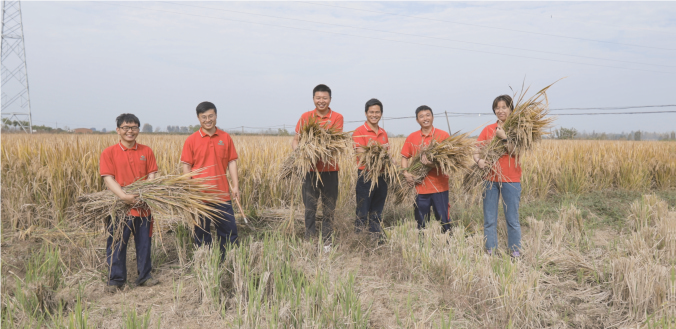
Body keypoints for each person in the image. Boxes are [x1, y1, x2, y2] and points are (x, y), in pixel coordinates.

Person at [100, 113, 159, 293]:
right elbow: (108, 178)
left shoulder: (146, 151)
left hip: (143, 207)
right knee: (117, 243)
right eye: (126, 128)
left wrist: (144, 192)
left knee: (144, 244)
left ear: (138, 130)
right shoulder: (109, 152)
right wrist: (124, 196)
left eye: (133, 128)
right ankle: (116, 279)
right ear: (118, 130)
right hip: (119, 207)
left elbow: (152, 174)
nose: (130, 131)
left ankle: (144, 277)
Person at [181, 101, 240, 255]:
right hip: (200, 197)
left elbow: (232, 162)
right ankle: (205, 263)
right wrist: (189, 191)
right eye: (204, 117)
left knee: (228, 232)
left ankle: (228, 261)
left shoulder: (225, 137)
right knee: (201, 234)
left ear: (216, 116)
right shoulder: (191, 140)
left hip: (222, 195)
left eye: (210, 116)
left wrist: (235, 186)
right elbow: (186, 166)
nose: (208, 120)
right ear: (198, 118)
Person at [293, 84, 344, 240]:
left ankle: (327, 240)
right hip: (309, 170)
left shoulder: (337, 117)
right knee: (310, 207)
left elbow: (334, 142)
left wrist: (318, 149)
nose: (321, 101)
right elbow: (296, 140)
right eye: (318, 98)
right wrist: (299, 151)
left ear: (330, 99)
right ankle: (310, 238)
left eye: (325, 98)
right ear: (313, 99)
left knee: (329, 207)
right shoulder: (305, 117)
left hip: (330, 169)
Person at [473, 95, 522, 257]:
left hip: (511, 179)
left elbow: (517, 152)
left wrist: (504, 138)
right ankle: (491, 249)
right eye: (497, 107)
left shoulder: (518, 129)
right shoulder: (488, 130)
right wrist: (479, 161)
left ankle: (514, 250)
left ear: (511, 109)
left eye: (504, 107)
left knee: (512, 218)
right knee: (489, 218)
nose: (500, 110)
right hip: (490, 179)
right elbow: (476, 151)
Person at [401, 106, 452, 233]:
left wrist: (432, 164)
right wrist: (406, 173)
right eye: (421, 116)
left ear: (433, 117)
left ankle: (448, 242)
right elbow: (404, 157)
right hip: (420, 187)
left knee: (443, 218)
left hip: (439, 186)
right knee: (421, 220)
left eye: (428, 115)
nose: (425, 118)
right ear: (417, 120)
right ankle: (422, 244)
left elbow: (450, 161)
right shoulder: (412, 137)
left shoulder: (443, 135)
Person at [353, 98, 389, 238]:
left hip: (382, 175)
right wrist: (380, 152)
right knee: (362, 209)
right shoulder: (359, 131)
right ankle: (360, 239)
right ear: (366, 113)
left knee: (377, 210)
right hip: (366, 175)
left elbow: (387, 154)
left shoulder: (383, 132)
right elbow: (362, 154)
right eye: (371, 112)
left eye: (377, 112)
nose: (374, 115)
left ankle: (375, 237)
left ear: (381, 114)